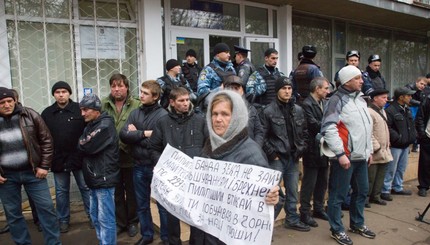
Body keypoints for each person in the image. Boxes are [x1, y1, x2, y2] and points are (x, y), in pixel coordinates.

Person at [200, 90, 279, 244]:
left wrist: (271, 199)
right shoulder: (210, 144)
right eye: (214, 114)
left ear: (237, 117)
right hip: (209, 233)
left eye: (225, 114)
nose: (217, 119)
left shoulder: (251, 154)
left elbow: (272, 201)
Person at [321, 65, 375, 245]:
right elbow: (329, 128)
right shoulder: (336, 100)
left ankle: (357, 224)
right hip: (345, 157)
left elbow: (366, 127)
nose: (362, 81)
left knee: (361, 192)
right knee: (338, 195)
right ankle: (337, 229)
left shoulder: (360, 99)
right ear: (347, 81)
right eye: (358, 78)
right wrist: (340, 154)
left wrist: (369, 151)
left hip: (361, 157)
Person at [0, 87, 61, 245]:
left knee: (46, 209)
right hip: (6, 177)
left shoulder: (29, 115)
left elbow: (47, 140)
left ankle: (53, 243)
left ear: (15, 100)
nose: (7, 105)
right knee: (13, 214)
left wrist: (44, 166)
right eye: (2, 103)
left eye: (9, 101)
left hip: (33, 173)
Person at [149, 87, 208, 245]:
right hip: (172, 180)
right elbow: (153, 148)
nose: (185, 103)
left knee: (195, 216)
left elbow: (209, 146)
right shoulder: (162, 122)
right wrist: (162, 165)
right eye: (181, 101)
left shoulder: (200, 120)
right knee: (172, 216)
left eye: (187, 100)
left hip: (195, 179)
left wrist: (201, 165)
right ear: (172, 102)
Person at [119, 80, 169, 245]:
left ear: (155, 97)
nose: (141, 95)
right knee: (142, 204)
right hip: (138, 165)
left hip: (156, 166)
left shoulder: (163, 116)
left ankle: (166, 238)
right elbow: (124, 135)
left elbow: (158, 143)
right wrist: (145, 134)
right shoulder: (135, 113)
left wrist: (137, 135)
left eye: (145, 93)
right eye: (141, 92)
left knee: (162, 206)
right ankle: (147, 235)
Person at [41, 81, 91, 233]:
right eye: (57, 92)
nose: (61, 94)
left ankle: (93, 217)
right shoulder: (47, 113)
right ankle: (63, 220)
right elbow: (43, 136)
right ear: (54, 95)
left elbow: (88, 131)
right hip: (58, 158)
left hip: (79, 156)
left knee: (85, 187)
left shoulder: (79, 109)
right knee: (61, 191)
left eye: (64, 91)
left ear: (69, 93)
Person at [260, 76, 309, 231]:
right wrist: (272, 153)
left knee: (293, 191)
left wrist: (301, 148)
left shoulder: (298, 110)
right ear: (277, 91)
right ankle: (265, 225)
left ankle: (292, 219)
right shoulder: (268, 111)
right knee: (271, 193)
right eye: (284, 88)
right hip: (277, 158)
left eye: (289, 88)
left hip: (293, 157)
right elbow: (263, 135)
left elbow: (305, 132)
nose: (287, 91)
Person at [101, 73, 140, 237]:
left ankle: (133, 222)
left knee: (132, 192)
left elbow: (140, 127)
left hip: (131, 156)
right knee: (116, 193)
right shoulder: (104, 104)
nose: (117, 89)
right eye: (113, 86)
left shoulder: (136, 104)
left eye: (120, 86)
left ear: (127, 87)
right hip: (110, 158)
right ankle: (121, 222)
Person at [78, 94, 120, 245]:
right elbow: (82, 143)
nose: (82, 113)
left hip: (104, 179)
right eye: (81, 110)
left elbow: (85, 146)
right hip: (94, 178)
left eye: (85, 110)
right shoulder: (91, 125)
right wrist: (83, 143)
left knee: (105, 219)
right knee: (95, 216)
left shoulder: (105, 125)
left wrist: (83, 143)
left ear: (96, 110)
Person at [299, 77, 330, 228]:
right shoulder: (306, 104)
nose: (327, 91)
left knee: (322, 180)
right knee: (309, 182)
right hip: (311, 149)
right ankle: (305, 212)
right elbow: (312, 124)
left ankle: (319, 208)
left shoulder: (323, 103)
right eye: (325, 88)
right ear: (317, 89)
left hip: (324, 148)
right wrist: (329, 125)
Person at [381, 87, 417, 201]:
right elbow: (388, 127)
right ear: (401, 97)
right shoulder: (391, 110)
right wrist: (398, 137)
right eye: (408, 95)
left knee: (401, 168)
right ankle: (385, 189)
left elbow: (411, 125)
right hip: (396, 145)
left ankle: (397, 186)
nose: (410, 97)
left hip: (405, 145)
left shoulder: (407, 109)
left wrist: (412, 136)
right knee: (391, 168)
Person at [366, 89, 393, 207]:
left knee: (380, 175)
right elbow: (369, 132)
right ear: (375, 98)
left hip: (384, 150)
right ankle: (366, 198)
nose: (386, 100)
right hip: (375, 150)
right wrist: (376, 147)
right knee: (370, 177)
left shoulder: (382, 111)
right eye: (383, 97)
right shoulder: (369, 112)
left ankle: (376, 196)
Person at [223, 75, 264, 146]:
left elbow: (259, 132)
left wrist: (256, 147)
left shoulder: (251, 109)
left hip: (250, 151)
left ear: (242, 91)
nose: (233, 91)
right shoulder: (219, 110)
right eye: (230, 88)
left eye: (236, 88)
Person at [406, 77, 427, 152]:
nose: (422, 86)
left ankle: (415, 146)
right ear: (416, 82)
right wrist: (420, 103)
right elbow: (409, 99)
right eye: (421, 84)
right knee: (409, 126)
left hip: (416, 109)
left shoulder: (422, 91)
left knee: (416, 126)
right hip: (409, 108)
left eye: (424, 85)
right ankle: (408, 146)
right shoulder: (409, 87)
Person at [416, 90, 430, 197]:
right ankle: (424, 186)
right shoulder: (427, 100)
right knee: (425, 163)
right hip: (427, 136)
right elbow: (420, 117)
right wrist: (422, 134)